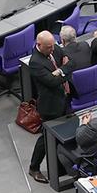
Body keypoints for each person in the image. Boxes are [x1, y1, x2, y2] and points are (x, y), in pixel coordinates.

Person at [26, 31, 70, 183]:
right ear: (39, 45)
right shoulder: (35, 62)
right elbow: (52, 81)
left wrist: (60, 71)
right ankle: (34, 167)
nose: (53, 50)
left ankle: (59, 166)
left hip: (64, 99)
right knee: (46, 138)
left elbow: (66, 57)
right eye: (48, 47)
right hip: (50, 105)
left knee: (64, 133)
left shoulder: (53, 47)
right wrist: (65, 71)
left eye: (53, 45)